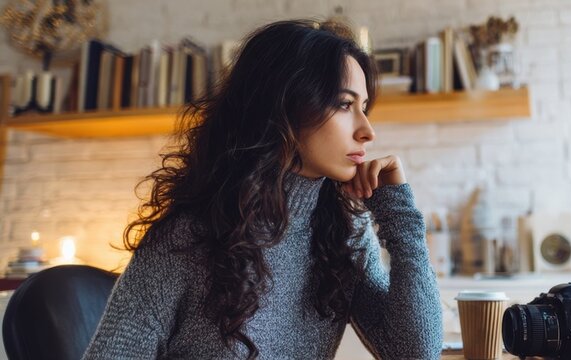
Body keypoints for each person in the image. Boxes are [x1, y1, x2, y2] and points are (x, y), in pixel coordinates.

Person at [83, 19, 443, 359]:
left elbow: (415, 352)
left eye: (364, 107)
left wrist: (399, 213)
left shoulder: (344, 232)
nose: (367, 130)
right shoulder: (190, 236)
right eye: (345, 104)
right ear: (284, 106)